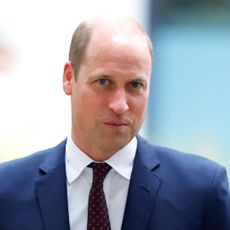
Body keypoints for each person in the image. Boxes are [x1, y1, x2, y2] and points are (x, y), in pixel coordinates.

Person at [0, 17, 229, 230]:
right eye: (104, 82)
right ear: (69, 78)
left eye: (135, 85)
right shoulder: (6, 191)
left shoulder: (200, 192)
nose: (120, 105)